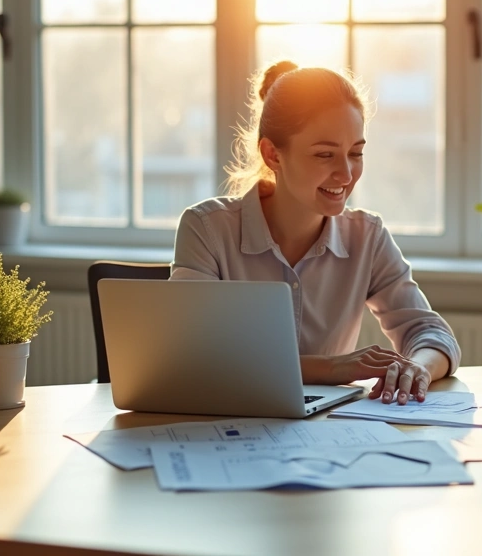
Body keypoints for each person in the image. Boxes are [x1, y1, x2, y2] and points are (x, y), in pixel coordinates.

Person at [171, 60, 460, 405]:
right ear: (272, 154)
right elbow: (194, 358)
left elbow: (431, 334)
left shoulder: (366, 236)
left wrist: (417, 368)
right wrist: (331, 368)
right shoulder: (207, 229)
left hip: (326, 436)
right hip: (223, 427)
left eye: (356, 153)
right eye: (325, 154)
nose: (346, 173)